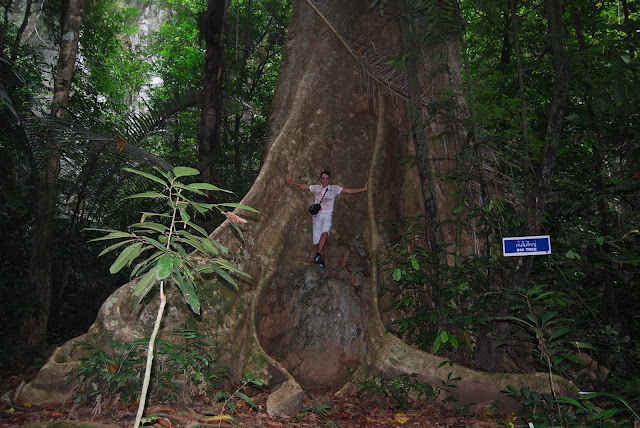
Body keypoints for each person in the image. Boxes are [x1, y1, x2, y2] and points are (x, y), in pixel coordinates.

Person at [286, 170, 367, 268]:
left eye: (327, 179)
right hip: (317, 215)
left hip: (327, 215)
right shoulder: (316, 188)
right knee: (319, 238)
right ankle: (321, 261)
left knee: (325, 233)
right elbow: (304, 187)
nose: (325, 181)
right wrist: (291, 183)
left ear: (329, 179)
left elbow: (349, 191)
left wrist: (364, 189)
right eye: (323, 178)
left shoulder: (334, 188)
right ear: (321, 179)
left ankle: (317, 254)